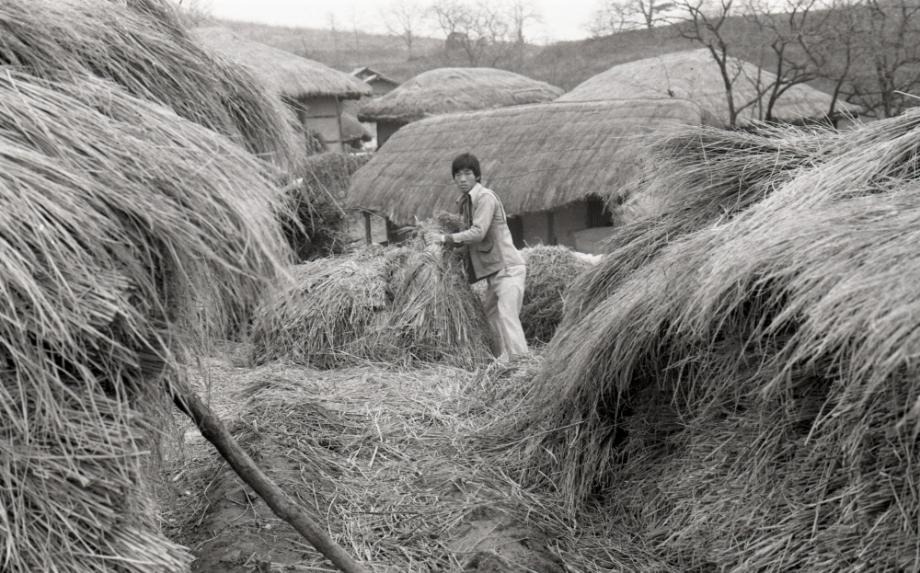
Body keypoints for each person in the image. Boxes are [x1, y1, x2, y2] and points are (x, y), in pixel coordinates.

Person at [435, 152, 528, 359]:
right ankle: (504, 359)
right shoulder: (467, 202)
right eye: (458, 174)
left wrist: (446, 239)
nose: (462, 179)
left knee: (507, 317)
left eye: (467, 173)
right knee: (491, 315)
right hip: (495, 273)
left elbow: (478, 233)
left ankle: (522, 365)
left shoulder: (484, 198)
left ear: (477, 176)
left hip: (508, 269)